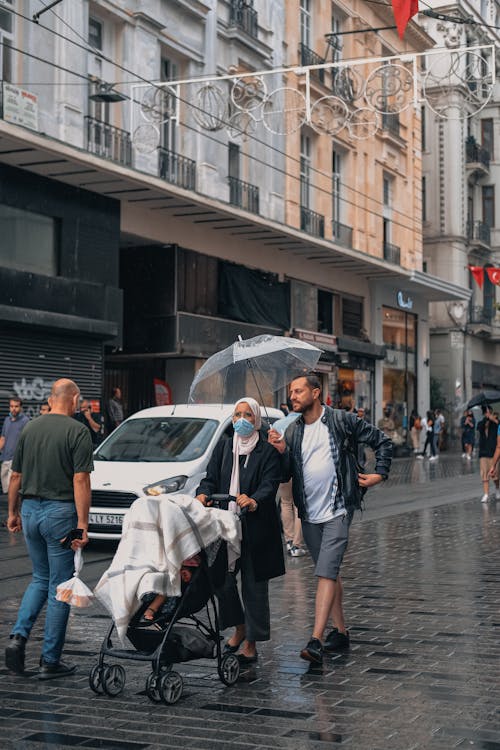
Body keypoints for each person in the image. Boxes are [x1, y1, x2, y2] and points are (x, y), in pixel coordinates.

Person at [268, 373, 392, 664]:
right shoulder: (293, 432)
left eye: (298, 391)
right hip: (309, 513)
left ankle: (316, 640)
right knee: (331, 571)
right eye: (291, 392)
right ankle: (341, 631)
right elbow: (286, 473)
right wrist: (281, 451)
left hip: (338, 509)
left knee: (325, 571)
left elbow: (382, 441)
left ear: (316, 392)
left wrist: (380, 473)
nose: (293, 396)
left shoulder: (340, 420)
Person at [4, 378, 93, 679]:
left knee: (39, 578)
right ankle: (49, 661)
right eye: (79, 400)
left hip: (30, 510)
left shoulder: (30, 427)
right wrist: (82, 524)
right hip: (61, 514)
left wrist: (12, 512)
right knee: (60, 586)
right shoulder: (77, 431)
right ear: (73, 398)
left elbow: (15, 476)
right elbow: (80, 480)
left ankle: (18, 637)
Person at [195, 397, 284, 664]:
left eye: (247, 415)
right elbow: (209, 479)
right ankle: (239, 627)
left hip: (256, 528)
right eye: (237, 415)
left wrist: (254, 499)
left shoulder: (266, 451)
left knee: (254, 587)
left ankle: (252, 642)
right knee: (221, 580)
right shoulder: (224, 448)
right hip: (224, 525)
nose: (241, 420)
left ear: (256, 420)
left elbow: (270, 483)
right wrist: (203, 494)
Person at [0, 397, 30, 495]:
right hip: (5, 458)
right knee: (6, 488)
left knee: (13, 489)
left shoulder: (25, 421)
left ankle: (13, 510)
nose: (13, 408)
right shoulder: (7, 420)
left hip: (16, 459)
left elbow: (27, 440)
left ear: (21, 407)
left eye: (16, 406)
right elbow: (3, 438)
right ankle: (13, 509)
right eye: (11, 406)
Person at [477, 405, 500, 503]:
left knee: (495, 474)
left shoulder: (496, 423)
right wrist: (486, 421)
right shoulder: (481, 423)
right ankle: (486, 494)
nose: (488, 414)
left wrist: (493, 420)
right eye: (486, 412)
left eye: (489, 412)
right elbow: (479, 428)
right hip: (483, 452)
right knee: (484, 474)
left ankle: (497, 489)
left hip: (493, 451)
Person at [279, 479, 307, 557]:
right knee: (298, 504)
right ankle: (296, 545)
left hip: (283, 471)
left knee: (285, 502)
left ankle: (289, 541)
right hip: (297, 471)